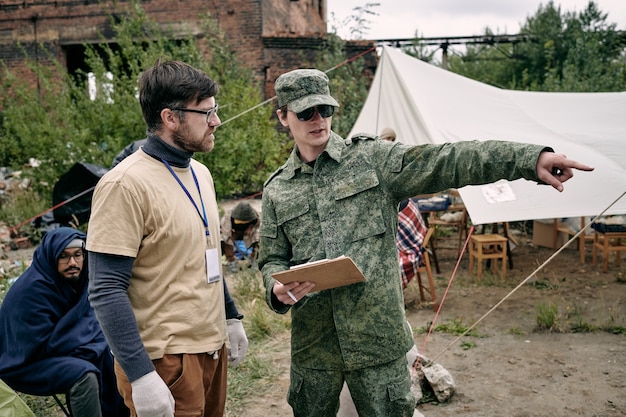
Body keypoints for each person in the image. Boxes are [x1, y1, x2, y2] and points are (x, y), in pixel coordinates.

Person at [257, 68, 594, 417]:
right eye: (305, 113)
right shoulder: (278, 189)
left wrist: (528, 160)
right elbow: (271, 259)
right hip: (315, 353)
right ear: (283, 116)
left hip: (378, 347)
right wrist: (276, 288)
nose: (318, 120)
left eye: (325, 110)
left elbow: (448, 160)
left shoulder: (373, 161)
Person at [86, 59, 248, 417]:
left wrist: (231, 316)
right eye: (206, 113)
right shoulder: (124, 184)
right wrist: (141, 376)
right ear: (170, 118)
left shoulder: (200, 173)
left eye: (215, 111)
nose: (216, 121)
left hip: (210, 350)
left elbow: (201, 254)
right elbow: (105, 288)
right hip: (164, 363)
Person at [0, 227, 128, 417]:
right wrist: (86, 345)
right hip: (25, 362)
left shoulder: (80, 281)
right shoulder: (32, 292)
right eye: (64, 256)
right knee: (83, 374)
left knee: (109, 354)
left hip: (60, 351)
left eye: (78, 255)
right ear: (51, 258)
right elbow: (37, 345)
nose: (73, 262)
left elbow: (89, 322)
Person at [220, 201, 261, 273]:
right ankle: (232, 262)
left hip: (249, 231)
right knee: (226, 241)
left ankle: (254, 261)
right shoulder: (228, 217)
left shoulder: (255, 217)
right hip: (234, 231)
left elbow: (258, 229)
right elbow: (225, 234)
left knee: (258, 241)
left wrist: (251, 229)